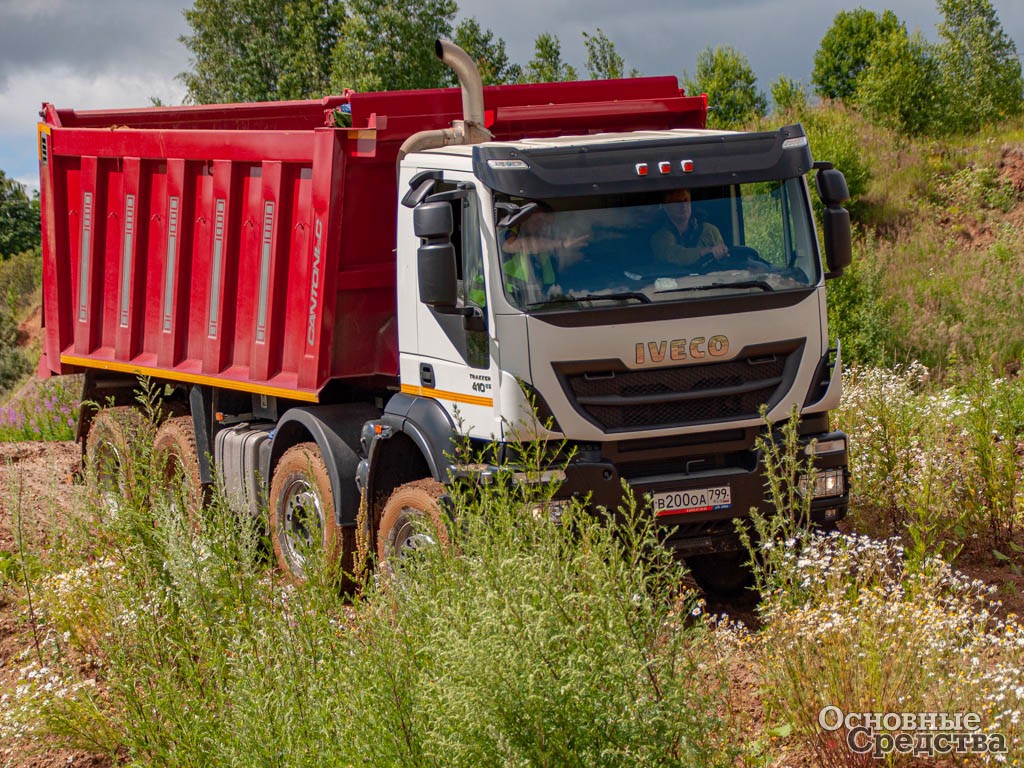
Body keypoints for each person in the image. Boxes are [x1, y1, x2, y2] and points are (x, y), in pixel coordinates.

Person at [500, 208, 588, 305]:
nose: (542, 226)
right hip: (496, 303)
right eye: (539, 220)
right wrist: (561, 244)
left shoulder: (547, 250)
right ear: (525, 217)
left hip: (533, 304)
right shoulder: (503, 234)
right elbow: (515, 245)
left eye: (546, 224)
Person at [650, 188, 728, 268]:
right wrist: (704, 252)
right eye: (677, 202)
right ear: (666, 207)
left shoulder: (710, 231)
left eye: (686, 200)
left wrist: (722, 252)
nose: (683, 205)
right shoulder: (659, 237)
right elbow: (674, 255)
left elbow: (723, 261)